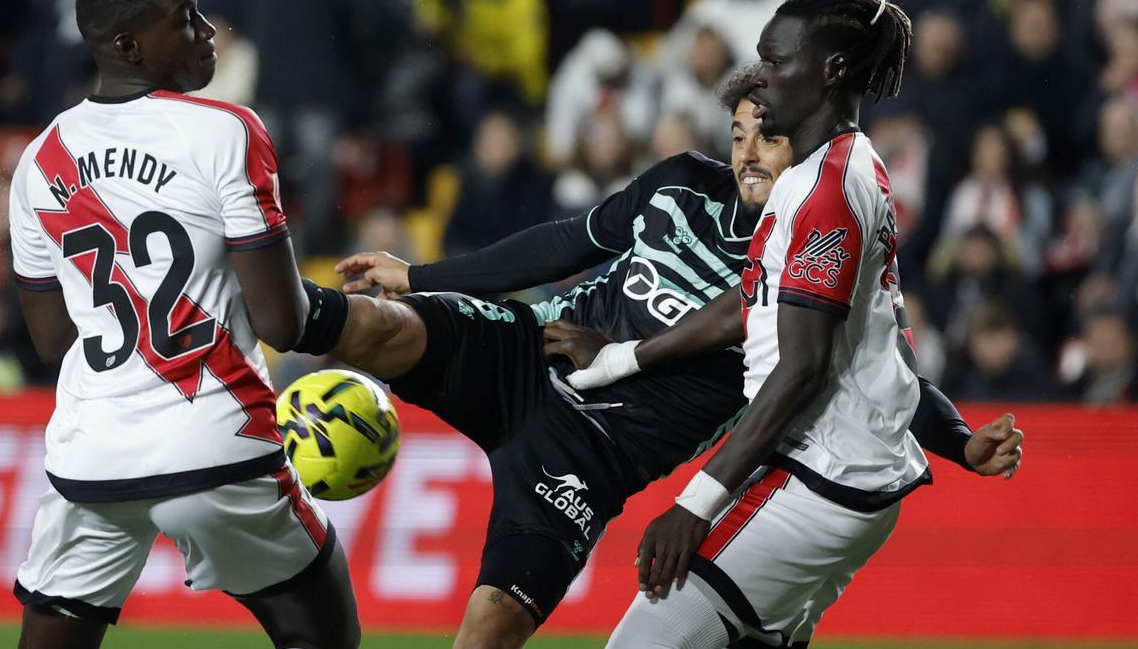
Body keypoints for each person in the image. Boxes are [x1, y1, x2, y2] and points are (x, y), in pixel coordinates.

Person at [323, 70, 1021, 649]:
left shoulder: (814, 253)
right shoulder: (682, 180)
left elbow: (883, 374)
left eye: (769, 137)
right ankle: (238, 313)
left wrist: (959, 441)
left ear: (803, 146)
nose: (749, 153)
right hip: (527, 350)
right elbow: (569, 241)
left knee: (488, 632)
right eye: (739, 134)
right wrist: (420, 276)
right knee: (372, 325)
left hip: (593, 454)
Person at [563, 0, 1020, 647]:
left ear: (830, 71)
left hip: (817, 478)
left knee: (645, 637)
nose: (763, 77)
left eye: (776, 61)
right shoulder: (852, 164)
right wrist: (624, 356)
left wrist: (695, 502)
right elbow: (853, 337)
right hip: (850, 478)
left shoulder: (823, 192)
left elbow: (803, 367)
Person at [8, 0, 358, 647]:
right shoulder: (227, 129)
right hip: (216, 440)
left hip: (92, 456)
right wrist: (367, 320)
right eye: (184, 17)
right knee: (323, 633)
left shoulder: (39, 159)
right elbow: (283, 323)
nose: (206, 29)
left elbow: (54, 341)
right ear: (129, 44)